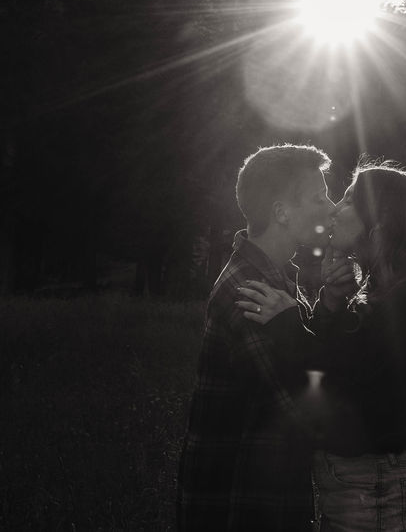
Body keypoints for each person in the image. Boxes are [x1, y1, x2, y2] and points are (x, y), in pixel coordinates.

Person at [237, 161, 406, 531]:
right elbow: (335, 366)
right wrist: (332, 303)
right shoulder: (378, 296)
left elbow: (339, 376)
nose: (334, 208)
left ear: (379, 224)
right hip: (367, 482)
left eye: (348, 200)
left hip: (382, 482)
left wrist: (287, 322)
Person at [177, 143, 334, 530]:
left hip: (262, 498)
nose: (330, 207)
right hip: (242, 507)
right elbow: (301, 408)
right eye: (319, 197)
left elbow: (299, 358)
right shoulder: (250, 292)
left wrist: (328, 306)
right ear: (281, 211)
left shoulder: (273, 279)